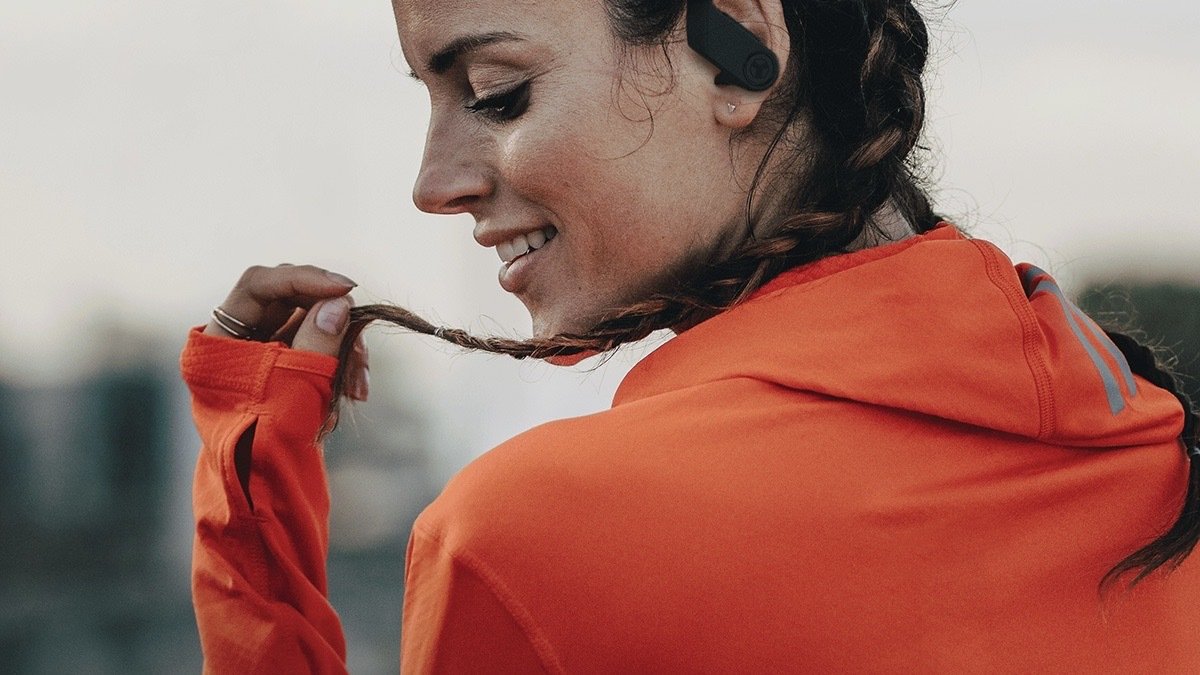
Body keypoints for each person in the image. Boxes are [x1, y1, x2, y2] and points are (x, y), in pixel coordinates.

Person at [180, 0, 1200, 672]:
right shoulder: (1153, 451)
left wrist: (247, 483)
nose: (433, 182)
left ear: (740, 49)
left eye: (496, 94)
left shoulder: (535, 537)